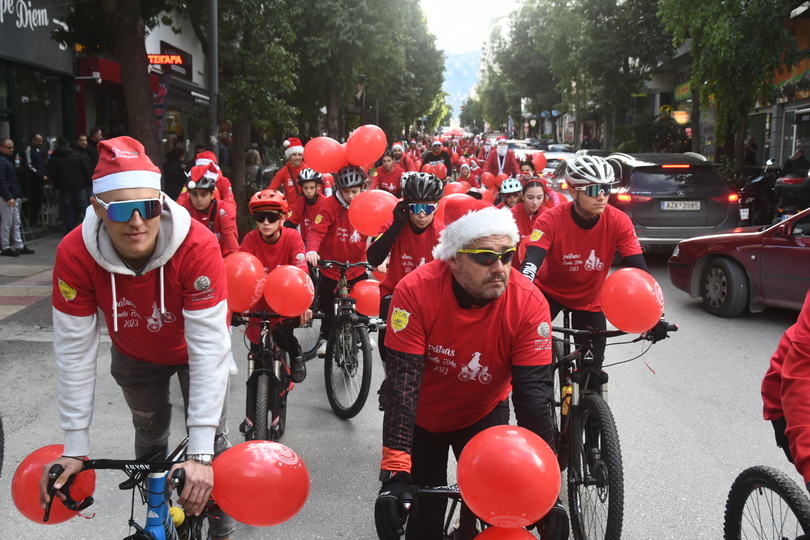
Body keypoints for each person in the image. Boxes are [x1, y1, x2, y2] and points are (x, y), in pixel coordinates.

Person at [40, 136, 233, 540]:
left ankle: (220, 522)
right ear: (96, 207)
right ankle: (158, 509)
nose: (137, 222)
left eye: (148, 207)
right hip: (134, 354)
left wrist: (200, 454)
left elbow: (209, 349)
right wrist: (75, 448)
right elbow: (74, 352)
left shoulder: (197, 245)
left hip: (191, 352)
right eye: (122, 209)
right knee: (150, 436)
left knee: (212, 443)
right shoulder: (74, 254)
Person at [374, 195, 567, 540]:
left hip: (483, 412)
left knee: (501, 512)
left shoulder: (529, 302)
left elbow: (533, 396)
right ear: (453, 260)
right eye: (484, 258)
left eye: (508, 256)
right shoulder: (414, 292)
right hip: (423, 416)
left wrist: (546, 487)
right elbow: (402, 383)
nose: (500, 268)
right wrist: (395, 471)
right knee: (424, 518)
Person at [520, 155, 648, 381]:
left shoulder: (619, 221)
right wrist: (517, 298)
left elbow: (639, 271)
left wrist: (651, 315)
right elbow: (531, 263)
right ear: (573, 192)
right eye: (592, 190)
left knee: (592, 371)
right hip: (549, 293)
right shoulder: (549, 220)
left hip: (590, 300)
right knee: (531, 361)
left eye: (606, 189)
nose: (601, 196)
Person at [366, 172, 445, 409]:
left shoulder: (442, 233)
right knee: (387, 328)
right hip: (396, 292)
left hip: (429, 297)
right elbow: (373, 257)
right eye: (417, 207)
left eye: (428, 209)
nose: (422, 215)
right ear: (407, 206)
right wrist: (398, 225)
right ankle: (391, 378)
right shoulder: (395, 223)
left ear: (436, 207)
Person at [240, 189, 310, 383]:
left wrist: (304, 305)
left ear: (282, 218)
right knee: (255, 350)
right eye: (260, 217)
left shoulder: (292, 238)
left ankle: (296, 354)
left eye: (271, 217)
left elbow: (301, 270)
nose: (265, 223)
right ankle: (254, 408)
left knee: (282, 335)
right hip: (258, 302)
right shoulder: (250, 239)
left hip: (283, 302)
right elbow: (238, 271)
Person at [305, 165, 370, 349]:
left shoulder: (367, 204)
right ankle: (327, 337)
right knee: (327, 304)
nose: (350, 196)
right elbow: (317, 231)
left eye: (354, 191)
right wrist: (311, 250)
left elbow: (381, 230)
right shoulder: (330, 204)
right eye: (346, 191)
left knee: (362, 301)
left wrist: (382, 258)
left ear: (362, 188)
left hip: (357, 264)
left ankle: (362, 333)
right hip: (331, 265)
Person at [179, 163, 239, 257]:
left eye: (204, 195)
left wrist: (236, 258)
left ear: (212, 194)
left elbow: (230, 238)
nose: (199, 199)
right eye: (194, 194)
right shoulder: (185, 209)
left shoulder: (222, 209)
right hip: (198, 258)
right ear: (189, 194)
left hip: (224, 257)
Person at [48, 136, 92, 232]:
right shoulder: (77, 155)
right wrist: (87, 182)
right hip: (79, 184)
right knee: (84, 206)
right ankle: (90, 227)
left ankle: (70, 228)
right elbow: (85, 170)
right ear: (68, 144)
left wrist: (57, 185)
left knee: (68, 208)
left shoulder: (55, 157)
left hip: (64, 186)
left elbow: (53, 173)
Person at [1, 138, 34, 256]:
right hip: (8, 196)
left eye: (12, 147)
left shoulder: (7, 160)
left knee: (15, 222)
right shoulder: (3, 161)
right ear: (1, 148)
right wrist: (8, 196)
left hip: (12, 195)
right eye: (8, 148)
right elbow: (2, 181)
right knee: (7, 222)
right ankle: (5, 246)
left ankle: (18, 244)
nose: (11, 150)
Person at [511, 177, 547, 268]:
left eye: (539, 197)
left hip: (540, 268)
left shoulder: (548, 216)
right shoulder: (511, 215)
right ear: (522, 196)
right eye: (530, 197)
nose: (535, 202)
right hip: (515, 267)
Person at [284, 168, 327, 243]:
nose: (309, 191)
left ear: (318, 187)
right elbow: (289, 224)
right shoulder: (299, 203)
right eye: (305, 188)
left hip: (324, 242)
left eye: (312, 188)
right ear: (302, 188)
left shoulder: (326, 202)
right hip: (306, 243)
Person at [269, 137, 308, 204]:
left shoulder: (308, 169)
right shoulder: (283, 171)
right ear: (289, 156)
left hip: (306, 209)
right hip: (290, 210)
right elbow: (271, 189)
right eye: (294, 155)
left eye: (299, 154)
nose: (297, 157)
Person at [22, 133, 49, 228]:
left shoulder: (37, 151)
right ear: (33, 140)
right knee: (33, 202)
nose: (40, 143)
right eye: (38, 141)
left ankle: (36, 220)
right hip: (33, 182)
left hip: (39, 182)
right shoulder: (29, 150)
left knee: (39, 201)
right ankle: (32, 221)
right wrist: (41, 175)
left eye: (41, 141)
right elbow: (29, 166)